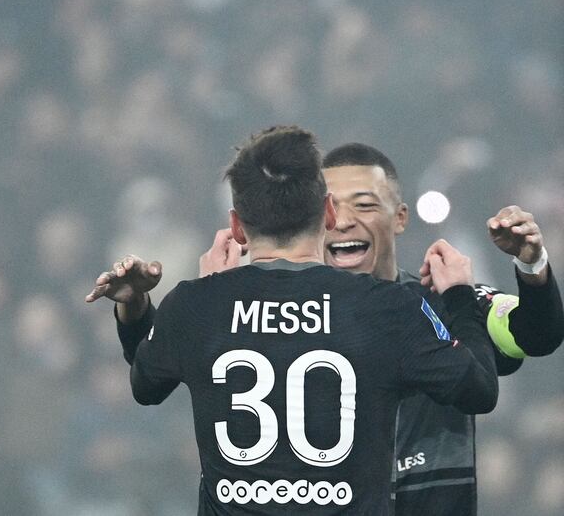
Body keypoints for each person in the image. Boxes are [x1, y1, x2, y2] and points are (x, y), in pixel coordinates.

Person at [101, 141, 564, 515]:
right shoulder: (273, 307)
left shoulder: (443, 300)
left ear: (399, 218)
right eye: (335, 205)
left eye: (364, 204)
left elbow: (537, 335)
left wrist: (532, 265)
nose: (344, 220)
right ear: (319, 215)